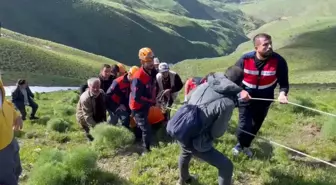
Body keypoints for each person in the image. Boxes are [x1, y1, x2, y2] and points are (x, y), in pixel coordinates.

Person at [170, 66, 250, 185]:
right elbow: (217, 133)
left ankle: (183, 180)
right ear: (239, 83)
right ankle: (184, 179)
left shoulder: (204, 85)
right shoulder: (227, 103)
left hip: (181, 127)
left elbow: (189, 99)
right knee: (226, 166)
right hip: (197, 141)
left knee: (185, 152)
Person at [233, 33, 289, 157]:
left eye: (270, 44)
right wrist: (241, 91)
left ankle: (246, 146)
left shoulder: (279, 61)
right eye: (265, 45)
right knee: (244, 125)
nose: (269, 47)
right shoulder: (245, 60)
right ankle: (239, 145)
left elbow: (284, 83)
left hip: (265, 99)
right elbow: (234, 79)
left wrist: (282, 94)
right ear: (256, 48)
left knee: (255, 125)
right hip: (245, 97)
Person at [129, 47, 157, 155]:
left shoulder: (151, 71)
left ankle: (138, 138)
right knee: (146, 128)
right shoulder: (138, 77)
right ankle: (146, 149)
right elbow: (136, 97)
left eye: (152, 60)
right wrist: (151, 102)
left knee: (144, 124)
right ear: (141, 61)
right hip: (137, 106)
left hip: (146, 103)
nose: (151, 63)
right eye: (148, 61)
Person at [0, 78, 23, 185]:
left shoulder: (2, 95)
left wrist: (16, 115)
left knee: (17, 170)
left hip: (10, 141)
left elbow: (5, 104)